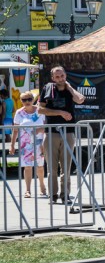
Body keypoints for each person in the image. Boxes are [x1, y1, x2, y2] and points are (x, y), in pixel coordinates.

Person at [37, 66, 85, 204]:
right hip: (52, 132)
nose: (60, 79)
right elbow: (40, 110)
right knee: (52, 167)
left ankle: (65, 195)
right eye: (57, 77)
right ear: (53, 78)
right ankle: (52, 195)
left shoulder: (70, 89)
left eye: (62, 75)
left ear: (65, 75)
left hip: (68, 132)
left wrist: (69, 87)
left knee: (66, 167)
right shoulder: (47, 88)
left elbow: (80, 100)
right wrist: (60, 112)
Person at [8, 91, 47, 198]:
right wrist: (12, 145)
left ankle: (42, 185)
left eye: (29, 99)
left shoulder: (40, 111)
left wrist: (39, 130)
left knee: (40, 166)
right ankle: (28, 190)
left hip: (39, 142)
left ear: (32, 99)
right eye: (24, 100)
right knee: (27, 167)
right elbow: (15, 130)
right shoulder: (19, 113)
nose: (27, 102)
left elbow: (46, 126)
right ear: (21, 101)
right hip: (25, 144)